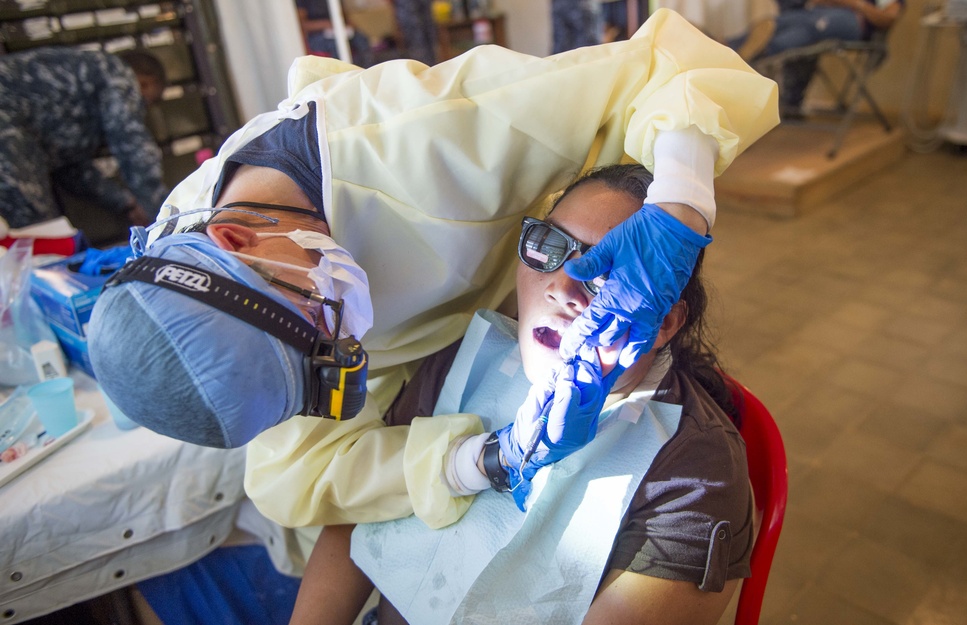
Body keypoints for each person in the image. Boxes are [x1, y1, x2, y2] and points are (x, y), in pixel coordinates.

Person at [87, 8, 777, 533]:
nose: (345, 346)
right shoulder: (203, 266)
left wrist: (681, 204)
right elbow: (293, 471)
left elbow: (675, 68)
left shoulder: (425, 137)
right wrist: (477, 460)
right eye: (319, 369)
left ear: (239, 237)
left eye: (319, 329)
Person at [290, 164, 752, 625]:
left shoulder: (694, 472)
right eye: (549, 247)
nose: (562, 289)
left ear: (665, 323)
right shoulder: (469, 360)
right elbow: (363, 506)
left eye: (607, 274)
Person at [0, 47, 169, 230]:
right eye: (143, 103)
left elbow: (71, 170)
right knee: (36, 229)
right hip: (6, 128)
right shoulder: (116, 72)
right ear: (145, 84)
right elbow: (133, 145)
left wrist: (127, 203)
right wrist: (165, 215)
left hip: (15, 135)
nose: (138, 111)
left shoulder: (82, 97)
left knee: (34, 232)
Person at [731, 0, 903, 115]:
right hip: (815, 13)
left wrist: (856, 4)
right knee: (781, 22)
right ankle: (743, 46)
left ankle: (745, 49)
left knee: (807, 26)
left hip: (852, 19)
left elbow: (888, 18)